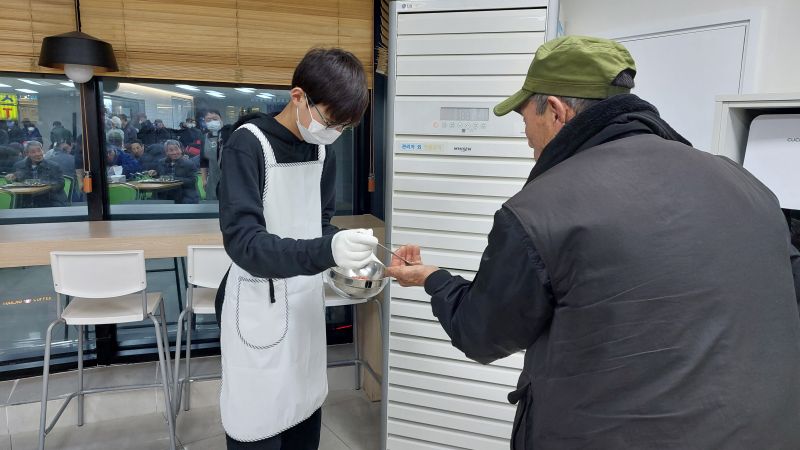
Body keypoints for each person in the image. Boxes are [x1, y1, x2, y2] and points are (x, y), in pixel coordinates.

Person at [386, 36, 800, 449]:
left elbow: (481, 332)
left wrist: (433, 279)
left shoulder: (541, 208)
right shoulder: (746, 184)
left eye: (525, 119)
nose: (526, 137)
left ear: (556, 110)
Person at [216, 48, 375, 449]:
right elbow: (244, 243)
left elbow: (317, 225)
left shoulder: (322, 150)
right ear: (298, 96)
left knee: (303, 418)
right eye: (330, 121)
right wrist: (328, 249)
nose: (334, 132)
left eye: (344, 127)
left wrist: (354, 257)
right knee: (257, 425)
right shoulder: (247, 145)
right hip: (257, 304)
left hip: (304, 305)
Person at [4, 141, 66, 207]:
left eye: (39, 151)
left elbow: (60, 183)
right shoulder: (19, 166)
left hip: (50, 200)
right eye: (33, 152)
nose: (38, 154)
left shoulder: (53, 166)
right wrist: (11, 179)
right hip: (27, 201)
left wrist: (45, 186)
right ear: (27, 154)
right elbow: (15, 184)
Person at [150, 140, 198, 204]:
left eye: (177, 149)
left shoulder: (189, 164)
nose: (175, 152)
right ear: (166, 152)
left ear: (181, 150)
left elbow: (192, 180)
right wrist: (155, 174)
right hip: (164, 193)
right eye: (171, 150)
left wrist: (174, 179)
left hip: (184, 194)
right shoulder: (161, 162)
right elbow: (160, 177)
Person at [199, 110, 224, 200]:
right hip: (213, 180)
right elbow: (203, 161)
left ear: (221, 119)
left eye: (215, 119)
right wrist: (204, 180)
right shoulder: (204, 138)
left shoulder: (230, 134)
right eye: (208, 120)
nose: (212, 122)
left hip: (230, 178)